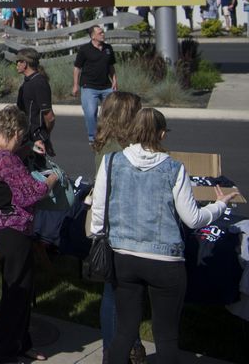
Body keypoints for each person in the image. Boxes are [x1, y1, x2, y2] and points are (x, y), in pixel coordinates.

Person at [91, 109, 237, 364]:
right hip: (165, 261)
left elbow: (99, 213)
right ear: (160, 134)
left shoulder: (111, 162)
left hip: (123, 258)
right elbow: (192, 219)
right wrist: (220, 205)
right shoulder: (174, 168)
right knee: (166, 336)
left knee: (124, 331)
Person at [0, 106, 56, 364]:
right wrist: (51, 180)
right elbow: (28, 193)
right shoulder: (7, 161)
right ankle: (4, 353)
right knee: (17, 291)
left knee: (21, 285)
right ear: (16, 131)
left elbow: (3, 171)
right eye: (21, 137)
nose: (22, 141)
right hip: (14, 228)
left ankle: (22, 343)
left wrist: (25, 150)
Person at [89, 91, 146, 362]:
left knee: (118, 293)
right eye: (138, 111)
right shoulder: (118, 151)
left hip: (115, 228)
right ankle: (115, 353)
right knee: (116, 294)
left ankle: (122, 347)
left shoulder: (107, 143)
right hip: (120, 230)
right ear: (127, 116)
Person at [73, 26, 117, 143]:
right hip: (89, 86)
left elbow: (111, 66)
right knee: (91, 112)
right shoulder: (84, 49)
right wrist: (76, 85)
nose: (103, 34)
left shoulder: (108, 48)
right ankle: (93, 138)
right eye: (100, 32)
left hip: (106, 86)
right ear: (93, 36)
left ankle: (109, 135)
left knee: (112, 112)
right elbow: (77, 68)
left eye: (103, 32)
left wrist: (114, 80)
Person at [14, 48, 55, 166]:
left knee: (36, 173)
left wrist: (43, 137)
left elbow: (50, 117)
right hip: (25, 136)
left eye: (18, 61)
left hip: (35, 139)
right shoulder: (27, 82)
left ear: (25, 63)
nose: (16, 64)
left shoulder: (39, 83)